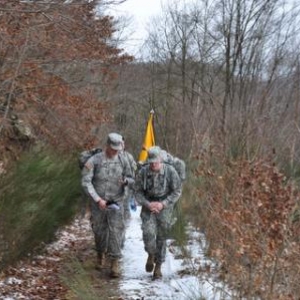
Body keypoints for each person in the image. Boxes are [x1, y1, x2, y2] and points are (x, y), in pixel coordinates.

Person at [81, 132, 134, 278]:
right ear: (107, 146)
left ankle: (114, 263)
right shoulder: (94, 160)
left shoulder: (124, 159)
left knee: (116, 232)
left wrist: (126, 182)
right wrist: (98, 199)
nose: (116, 151)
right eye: (113, 149)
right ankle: (100, 254)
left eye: (118, 148)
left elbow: (132, 178)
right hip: (99, 203)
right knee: (99, 231)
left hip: (117, 202)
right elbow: (86, 182)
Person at [135, 146, 182, 279]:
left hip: (165, 207)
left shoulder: (170, 171)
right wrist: (147, 204)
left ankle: (158, 266)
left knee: (161, 237)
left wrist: (163, 204)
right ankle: (151, 254)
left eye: (156, 161)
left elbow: (177, 191)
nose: (154, 164)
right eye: (151, 161)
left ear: (161, 159)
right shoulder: (143, 172)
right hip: (148, 205)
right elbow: (137, 191)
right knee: (148, 234)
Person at [121, 136, 137, 220]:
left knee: (125, 208)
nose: (120, 145)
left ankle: (125, 227)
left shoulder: (129, 157)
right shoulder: (107, 156)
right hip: (110, 190)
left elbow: (133, 175)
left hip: (126, 188)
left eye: (122, 143)